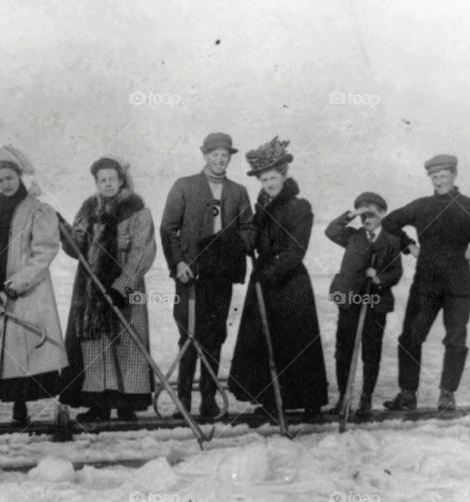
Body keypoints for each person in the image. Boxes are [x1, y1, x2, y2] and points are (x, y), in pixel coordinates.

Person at [381, 154, 470, 411]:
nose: (439, 181)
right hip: (425, 285)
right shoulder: (421, 206)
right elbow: (389, 223)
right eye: (435, 177)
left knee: (455, 341)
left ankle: (447, 394)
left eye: (443, 176)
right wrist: (408, 246)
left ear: (454, 175)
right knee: (410, 338)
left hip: (459, 286)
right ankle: (407, 394)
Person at [0, 145, 68, 428]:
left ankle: (21, 408)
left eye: (9, 178)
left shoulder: (38, 211)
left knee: (21, 352)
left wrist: (19, 282)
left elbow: (44, 251)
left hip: (26, 293)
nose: (5, 184)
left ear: (19, 176)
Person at [228, 137, 329, 423]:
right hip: (264, 282)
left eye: (273, 178)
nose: (269, 184)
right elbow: (254, 238)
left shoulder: (299, 207)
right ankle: (274, 399)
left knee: (297, 342)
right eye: (264, 180)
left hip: (290, 285)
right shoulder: (262, 208)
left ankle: (310, 403)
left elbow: (296, 250)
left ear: (284, 176)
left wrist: (269, 272)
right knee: (266, 341)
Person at [160, 132, 253, 421]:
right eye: (215, 155)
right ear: (205, 155)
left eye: (225, 155)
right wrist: (178, 263)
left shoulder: (238, 192)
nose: (220, 160)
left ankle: (209, 401)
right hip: (190, 275)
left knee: (214, 336)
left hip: (220, 275)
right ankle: (184, 401)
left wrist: (231, 246)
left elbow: (249, 228)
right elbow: (168, 228)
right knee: (189, 335)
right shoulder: (184, 186)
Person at [59, 157, 157, 422]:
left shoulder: (137, 211)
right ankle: (99, 404)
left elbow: (142, 253)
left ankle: (127, 404)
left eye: (112, 179)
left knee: (128, 344)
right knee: (96, 346)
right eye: (102, 180)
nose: (107, 184)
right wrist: (63, 230)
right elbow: (77, 248)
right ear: (96, 182)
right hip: (92, 291)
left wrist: (121, 287)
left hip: (127, 291)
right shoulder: (88, 210)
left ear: (121, 180)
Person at [325, 192, 403, 418]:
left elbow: (396, 272)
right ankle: (343, 398)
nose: (366, 219)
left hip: (374, 303)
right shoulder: (352, 236)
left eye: (371, 214)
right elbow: (331, 230)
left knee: (371, 351)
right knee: (344, 351)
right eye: (363, 215)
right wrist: (352, 214)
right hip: (349, 301)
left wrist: (378, 278)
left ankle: (366, 398)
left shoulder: (391, 241)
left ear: (382, 213)